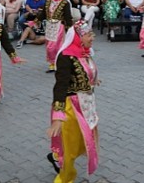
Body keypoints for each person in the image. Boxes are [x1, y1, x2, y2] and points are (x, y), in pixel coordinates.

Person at [46, 20, 100, 182]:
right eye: (89, 35)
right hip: (71, 108)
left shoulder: (84, 52)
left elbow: (84, 71)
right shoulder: (66, 56)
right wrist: (57, 117)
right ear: (78, 36)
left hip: (86, 105)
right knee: (68, 146)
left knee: (81, 141)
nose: (92, 38)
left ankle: (57, 158)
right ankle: (64, 178)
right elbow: (60, 86)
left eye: (92, 34)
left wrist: (92, 79)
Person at [32, 0, 73, 72]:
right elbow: (43, 14)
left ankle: (59, 63)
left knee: (56, 46)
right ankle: (52, 63)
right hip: (49, 26)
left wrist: (70, 28)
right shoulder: (48, 2)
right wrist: (34, 21)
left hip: (59, 26)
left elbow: (68, 17)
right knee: (49, 46)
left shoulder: (64, 3)